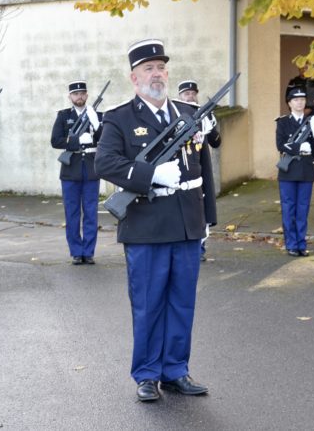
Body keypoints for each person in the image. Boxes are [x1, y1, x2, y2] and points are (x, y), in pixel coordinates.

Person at [95, 39, 216, 402]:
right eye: (148, 69)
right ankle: (146, 373)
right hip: (146, 226)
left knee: (182, 301)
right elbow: (105, 163)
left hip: (185, 223)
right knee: (148, 303)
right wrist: (150, 175)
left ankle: (175, 369)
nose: (157, 74)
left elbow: (203, 166)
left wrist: (208, 217)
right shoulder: (119, 119)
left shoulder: (187, 113)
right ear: (134, 78)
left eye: (161, 67)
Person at [50, 81, 102, 265]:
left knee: (90, 212)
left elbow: (105, 140)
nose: (79, 97)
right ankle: (76, 251)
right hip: (70, 170)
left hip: (90, 170)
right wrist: (77, 141)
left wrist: (97, 126)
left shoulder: (97, 115)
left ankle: (88, 252)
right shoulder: (63, 116)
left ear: (87, 95)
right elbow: (55, 141)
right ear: (70, 97)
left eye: (82, 93)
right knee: (71, 213)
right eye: (75, 94)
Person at [276, 86, 314, 257]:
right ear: (289, 103)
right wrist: (298, 148)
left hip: (305, 172)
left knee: (302, 209)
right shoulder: (283, 122)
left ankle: (301, 244)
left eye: (302, 100)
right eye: (296, 100)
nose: (300, 102)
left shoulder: (311, 121)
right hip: (288, 172)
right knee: (289, 209)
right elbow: (280, 145)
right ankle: (291, 244)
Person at [178, 80, 220, 261]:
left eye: (193, 93)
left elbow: (216, 142)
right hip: (184, 166)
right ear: (180, 95)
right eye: (186, 93)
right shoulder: (176, 113)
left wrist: (210, 127)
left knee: (203, 206)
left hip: (202, 164)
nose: (190, 96)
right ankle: (188, 246)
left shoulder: (204, 113)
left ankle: (200, 247)